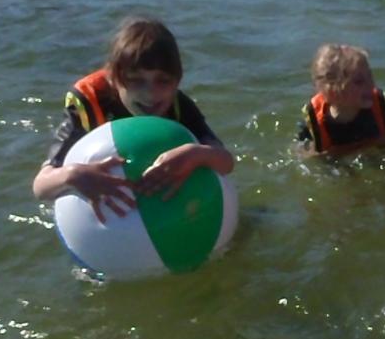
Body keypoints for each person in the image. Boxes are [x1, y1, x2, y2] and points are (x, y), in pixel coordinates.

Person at [33, 17, 235, 223]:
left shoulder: (178, 105)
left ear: (177, 81)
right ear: (113, 78)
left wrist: (196, 154)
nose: (151, 93)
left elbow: (226, 162)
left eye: (163, 80)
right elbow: (41, 186)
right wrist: (73, 175)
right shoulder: (89, 105)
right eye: (136, 80)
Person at [295, 44, 385, 157]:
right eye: (359, 81)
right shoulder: (314, 124)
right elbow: (302, 153)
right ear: (334, 93)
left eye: (370, 77)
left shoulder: (381, 108)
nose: (371, 85)